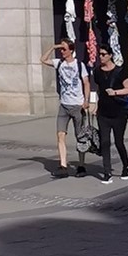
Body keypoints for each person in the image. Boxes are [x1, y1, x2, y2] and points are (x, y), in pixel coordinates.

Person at [41, 39, 89, 176]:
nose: (62, 51)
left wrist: (86, 101)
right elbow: (43, 59)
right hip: (64, 105)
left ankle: (81, 165)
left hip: (77, 105)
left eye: (64, 49)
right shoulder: (59, 63)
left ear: (71, 50)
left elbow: (86, 83)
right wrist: (53, 47)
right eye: (61, 49)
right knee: (60, 135)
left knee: (80, 137)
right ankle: (63, 165)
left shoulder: (79, 65)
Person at [94, 49, 128, 184]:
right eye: (100, 54)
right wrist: (96, 105)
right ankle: (107, 172)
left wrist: (115, 92)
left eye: (103, 54)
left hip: (119, 113)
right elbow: (99, 89)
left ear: (110, 55)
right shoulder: (97, 71)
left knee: (118, 142)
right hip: (103, 113)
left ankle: (126, 165)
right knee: (104, 143)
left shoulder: (120, 71)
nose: (101, 56)